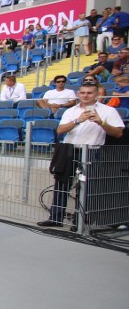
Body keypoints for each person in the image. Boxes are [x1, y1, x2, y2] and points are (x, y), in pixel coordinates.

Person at [37, 81, 125, 227]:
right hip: (69, 151)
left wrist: (101, 123)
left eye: (90, 93)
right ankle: (55, 218)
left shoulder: (108, 111)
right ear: (78, 94)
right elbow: (60, 130)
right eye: (83, 93)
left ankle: (80, 222)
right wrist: (78, 120)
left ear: (97, 94)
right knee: (61, 185)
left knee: (86, 188)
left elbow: (118, 133)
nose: (86, 95)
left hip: (92, 152)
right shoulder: (70, 111)